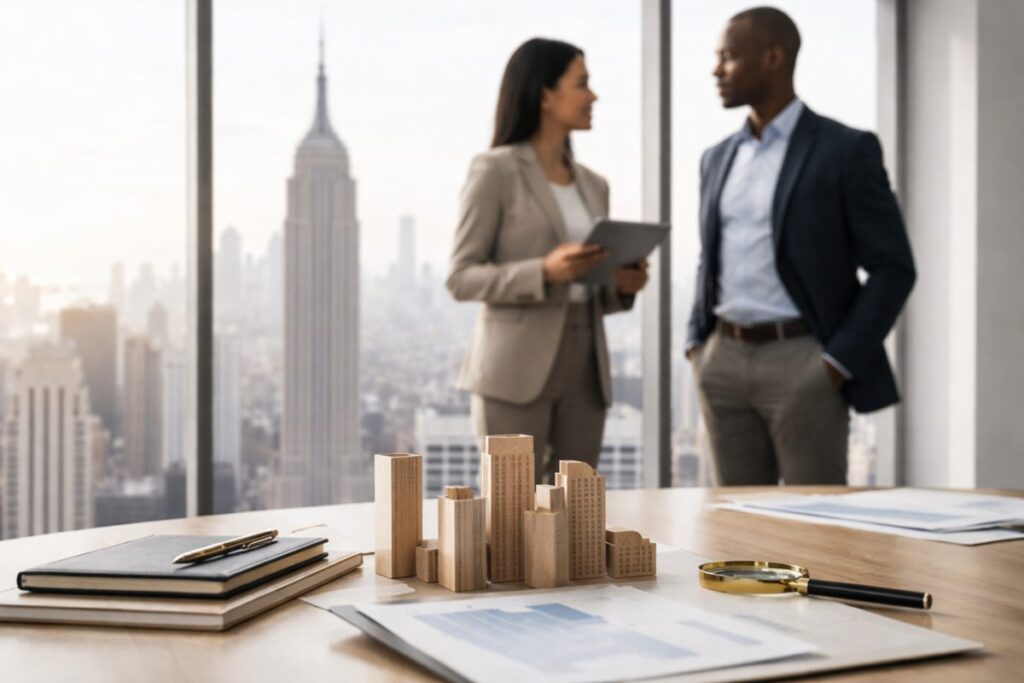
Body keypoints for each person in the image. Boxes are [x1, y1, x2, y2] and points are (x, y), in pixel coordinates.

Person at [686, 7, 915, 485]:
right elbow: (710, 257)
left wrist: (836, 362)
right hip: (722, 362)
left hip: (803, 360)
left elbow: (893, 267)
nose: (716, 70)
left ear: (773, 58)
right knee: (736, 519)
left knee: (814, 518)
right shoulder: (716, 158)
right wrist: (697, 346)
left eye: (728, 57)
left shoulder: (845, 150)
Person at [447, 37, 648, 483]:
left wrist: (621, 287)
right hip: (514, 367)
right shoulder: (495, 171)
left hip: (586, 365)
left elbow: (589, 287)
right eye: (582, 83)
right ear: (544, 95)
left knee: (577, 504)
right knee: (509, 502)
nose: (593, 96)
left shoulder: (594, 185)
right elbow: (461, 277)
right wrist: (543, 271)